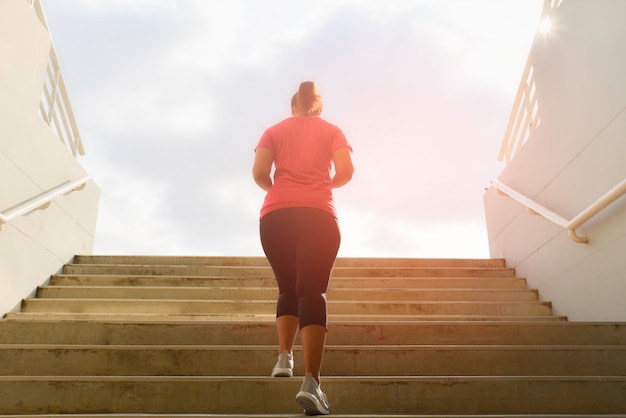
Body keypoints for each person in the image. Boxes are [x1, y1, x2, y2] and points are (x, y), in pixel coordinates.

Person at [252, 81, 354, 415]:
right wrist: (324, 183)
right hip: (319, 214)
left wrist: (280, 189)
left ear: (294, 105)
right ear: (317, 106)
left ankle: (284, 358)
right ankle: (312, 382)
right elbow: (346, 171)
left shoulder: (273, 131)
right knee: (311, 292)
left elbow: (259, 173)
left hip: (276, 216)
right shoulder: (332, 131)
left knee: (287, 288)